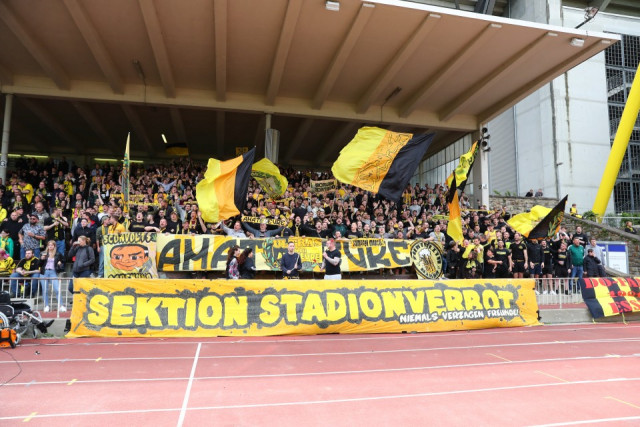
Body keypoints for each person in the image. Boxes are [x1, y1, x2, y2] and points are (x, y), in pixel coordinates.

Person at [39, 240, 66, 312]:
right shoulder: (43, 253)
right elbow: (39, 264)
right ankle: (46, 305)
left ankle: (61, 305)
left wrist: (60, 263)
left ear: (54, 246)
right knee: (45, 290)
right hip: (44, 272)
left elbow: (64, 260)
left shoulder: (57, 254)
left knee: (57, 289)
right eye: (49, 245)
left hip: (53, 272)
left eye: (52, 245)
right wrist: (41, 259)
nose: (50, 246)